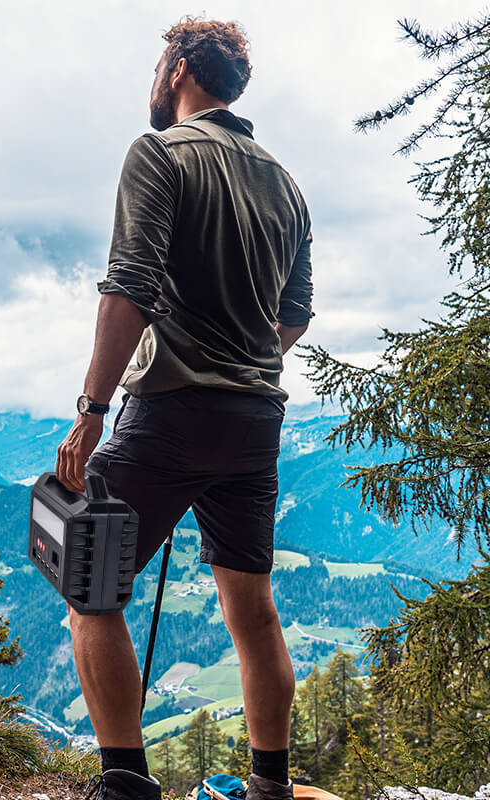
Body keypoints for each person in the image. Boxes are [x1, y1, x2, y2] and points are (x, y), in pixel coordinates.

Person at [55, 15, 314, 800]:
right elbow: (295, 315)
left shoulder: (159, 154)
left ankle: (125, 783)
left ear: (177, 72)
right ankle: (271, 787)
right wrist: (241, 353)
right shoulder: (287, 186)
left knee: (89, 587)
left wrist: (92, 409)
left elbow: (128, 286)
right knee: (252, 606)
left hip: (166, 411)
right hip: (255, 421)